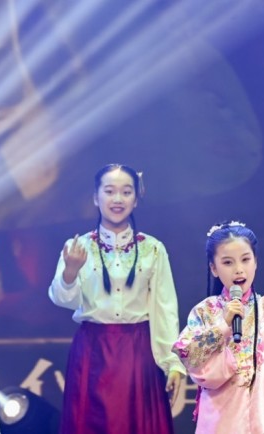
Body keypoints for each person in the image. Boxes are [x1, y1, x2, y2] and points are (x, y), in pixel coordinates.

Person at [49, 163, 185, 434]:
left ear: (136, 199)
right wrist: (71, 271)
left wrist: (172, 363)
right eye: (109, 191)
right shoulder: (78, 247)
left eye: (126, 192)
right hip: (93, 350)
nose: (118, 199)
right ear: (95, 197)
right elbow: (62, 299)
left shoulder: (153, 249)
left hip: (138, 352)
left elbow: (165, 309)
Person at [172, 220, 264, 434]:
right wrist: (223, 325)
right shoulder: (205, 312)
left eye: (245, 259)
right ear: (213, 268)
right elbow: (189, 353)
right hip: (221, 421)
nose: (238, 270)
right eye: (228, 262)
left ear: (255, 262)